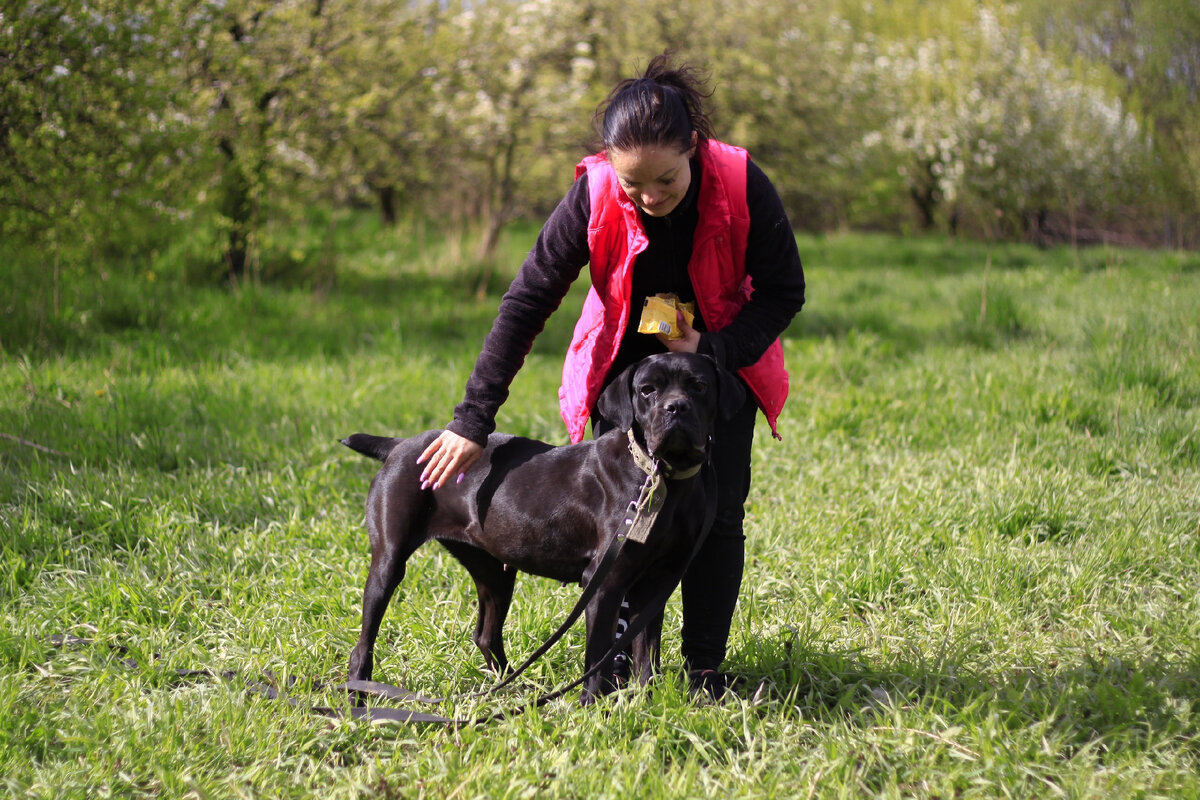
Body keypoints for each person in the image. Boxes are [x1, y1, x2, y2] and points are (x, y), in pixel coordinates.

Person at [416, 53, 806, 694]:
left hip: (714, 369)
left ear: (694, 147)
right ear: (609, 165)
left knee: (717, 518)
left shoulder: (740, 182)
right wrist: (472, 419)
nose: (650, 198)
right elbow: (526, 302)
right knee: (624, 520)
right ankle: (614, 663)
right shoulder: (593, 193)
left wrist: (713, 348)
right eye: (634, 184)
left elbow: (784, 291)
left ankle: (705, 669)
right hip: (626, 377)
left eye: (666, 181)